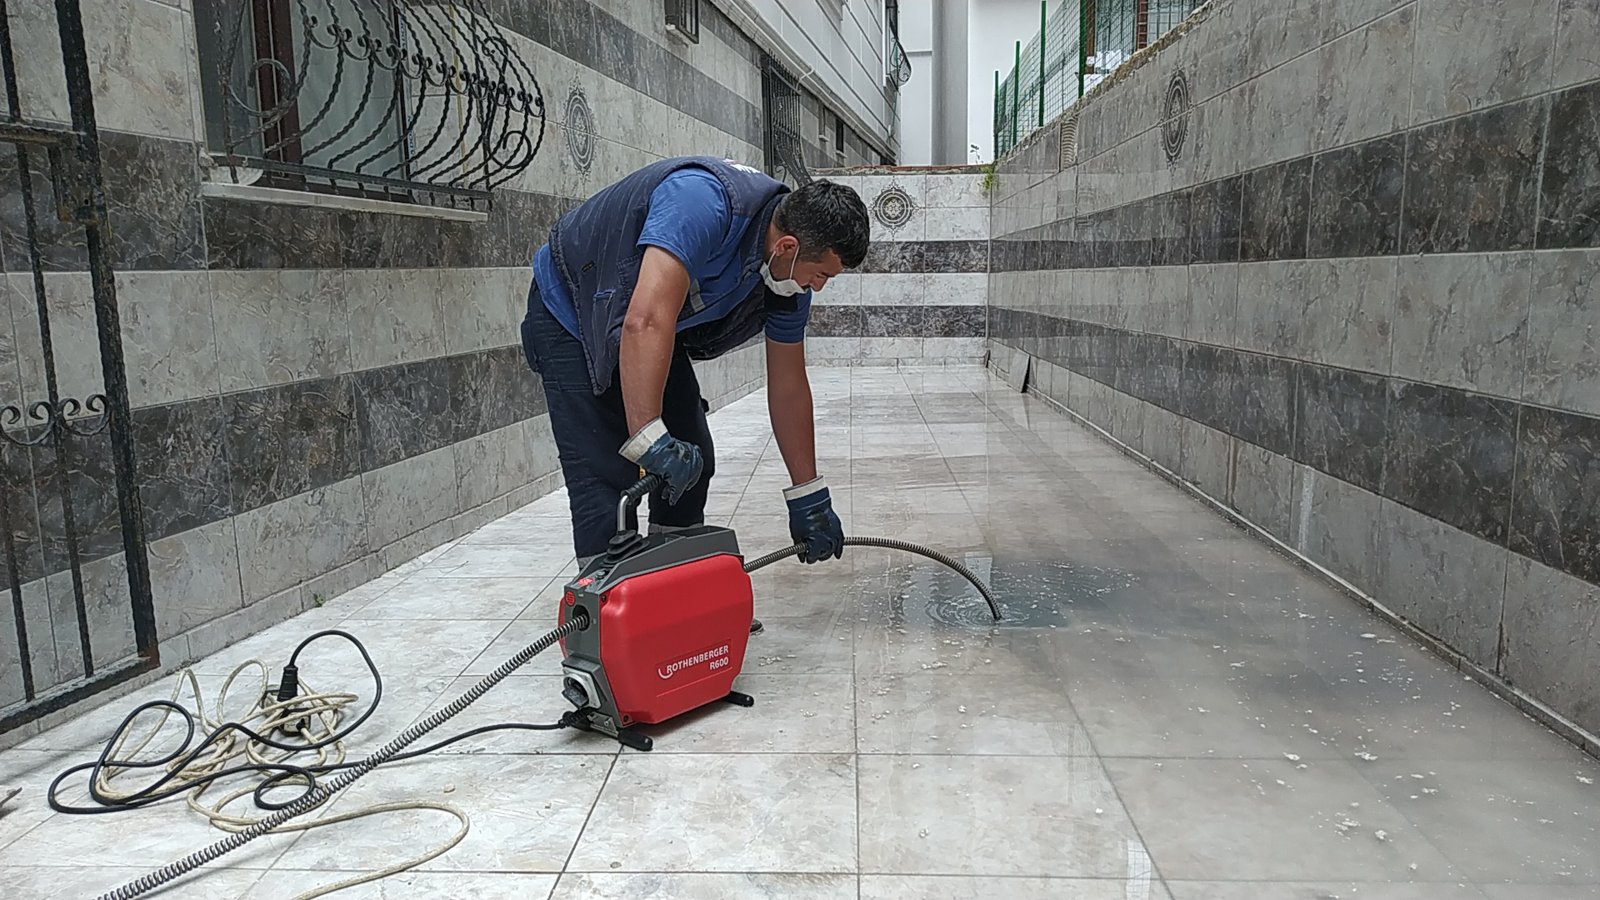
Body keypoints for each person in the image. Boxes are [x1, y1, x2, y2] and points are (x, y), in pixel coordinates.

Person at [519, 156, 870, 632]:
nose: (819, 287)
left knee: (691, 457)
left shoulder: (787, 281)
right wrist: (648, 439)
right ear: (787, 245)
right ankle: (609, 627)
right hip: (571, 311)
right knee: (607, 477)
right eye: (821, 274)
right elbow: (644, 319)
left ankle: (675, 604)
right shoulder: (701, 202)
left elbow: (788, 384)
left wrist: (807, 494)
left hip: (646, 323)